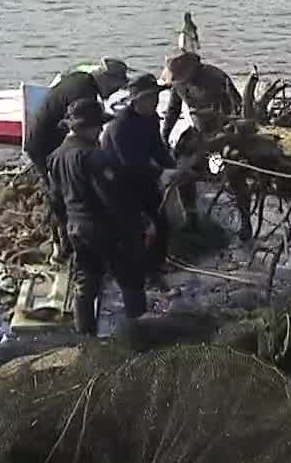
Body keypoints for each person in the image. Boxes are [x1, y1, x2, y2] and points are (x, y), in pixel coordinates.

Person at [47, 98, 148, 335]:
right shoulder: (93, 156)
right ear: (89, 127)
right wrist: (138, 226)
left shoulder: (54, 157)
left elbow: (55, 200)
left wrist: (62, 234)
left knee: (86, 281)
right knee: (130, 278)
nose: (101, 130)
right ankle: (142, 332)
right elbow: (112, 197)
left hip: (75, 227)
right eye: (98, 126)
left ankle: (86, 337)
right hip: (103, 226)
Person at [101, 73, 182, 264]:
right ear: (138, 100)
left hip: (143, 177)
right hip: (119, 183)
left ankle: (157, 266)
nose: (154, 102)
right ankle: (140, 269)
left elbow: (157, 148)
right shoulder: (120, 125)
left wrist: (173, 167)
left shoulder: (151, 118)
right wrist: (161, 173)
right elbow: (129, 161)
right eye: (150, 98)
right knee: (137, 229)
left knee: (161, 223)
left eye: (156, 97)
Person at [160, 50, 242, 229]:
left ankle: (245, 222)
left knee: (232, 171)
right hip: (198, 132)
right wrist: (164, 136)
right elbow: (173, 109)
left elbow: (237, 108)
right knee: (179, 166)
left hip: (224, 134)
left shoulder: (215, 79)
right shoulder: (179, 84)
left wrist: (224, 134)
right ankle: (190, 215)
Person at [24, 58, 129, 168]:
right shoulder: (84, 94)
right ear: (106, 78)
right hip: (47, 146)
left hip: (38, 139)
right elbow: (84, 131)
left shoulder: (79, 79)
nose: (116, 91)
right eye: (116, 86)